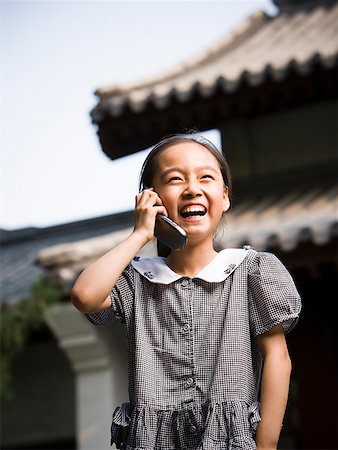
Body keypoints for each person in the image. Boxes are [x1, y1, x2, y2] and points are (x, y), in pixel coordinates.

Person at [71, 133, 301, 450]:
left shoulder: (250, 271)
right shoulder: (137, 279)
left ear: (224, 196)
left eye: (205, 177)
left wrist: (265, 446)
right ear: (150, 199)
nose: (192, 189)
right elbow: (85, 296)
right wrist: (140, 234)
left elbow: (278, 356)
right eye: (175, 179)